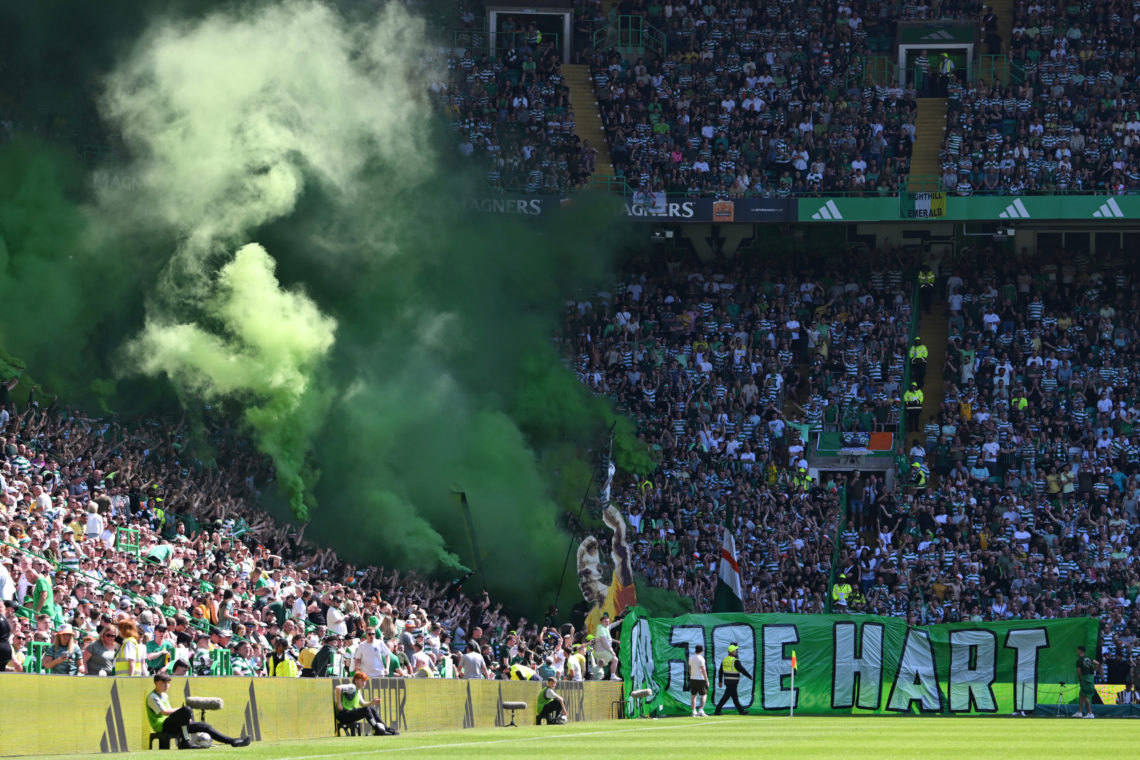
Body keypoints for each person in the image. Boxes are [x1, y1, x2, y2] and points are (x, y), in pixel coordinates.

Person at [146, 672, 252, 748]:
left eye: (168, 683)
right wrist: (183, 710)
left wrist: (186, 718)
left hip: (172, 724)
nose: (166, 685)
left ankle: (233, 741)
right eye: (163, 683)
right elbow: (164, 712)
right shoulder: (152, 697)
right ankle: (185, 742)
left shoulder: (164, 695)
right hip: (162, 726)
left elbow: (170, 712)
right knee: (187, 709)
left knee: (205, 726)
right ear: (156, 683)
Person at [333, 671, 398, 736]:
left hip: (349, 714)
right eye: (362, 681)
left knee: (371, 708)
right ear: (356, 680)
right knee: (366, 709)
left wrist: (371, 702)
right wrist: (339, 704)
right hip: (343, 715)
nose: (364, 683)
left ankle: (386, 728)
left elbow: (363, 704)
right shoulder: (352, 687)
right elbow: (338, 688)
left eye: (365, 681)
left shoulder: (357, 691)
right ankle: (377, 729)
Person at [713, 643, 752, 715]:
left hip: (727, 681)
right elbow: (742, 670)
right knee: (726, 696)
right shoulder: (735, 660)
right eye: (735, 650)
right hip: (733, 681)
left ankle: (741, 711)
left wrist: (720, 681)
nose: (736, 651)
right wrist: (749, 676)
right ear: (732, 651)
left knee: (734, 697)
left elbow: (721, 670)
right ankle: (717, 710)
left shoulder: (724, 659)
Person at [1074, 645, 1099, 718]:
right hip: (1090, 677)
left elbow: (1078, 672)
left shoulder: (1079, 660)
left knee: (1084, 695)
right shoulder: (1089, 658)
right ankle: (1079, 712)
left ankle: (1090, 713)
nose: (1076, 652)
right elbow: (1097, 663)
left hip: (1085, 677)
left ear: (1080, 651)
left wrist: (1080, 680)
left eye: (1077, 650)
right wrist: (1094, 671)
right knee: (1081, 694)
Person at [689, 644, 709, 717]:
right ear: (702, 650)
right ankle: (701, 710)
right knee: (704, 694)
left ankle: (693, 711)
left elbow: (690, 668)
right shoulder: (701, 658)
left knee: (693, 695)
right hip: (700, 679)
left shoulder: (691, 658)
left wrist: (691, 676)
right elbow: (703, 670)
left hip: (692, 678)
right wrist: (706, 680)